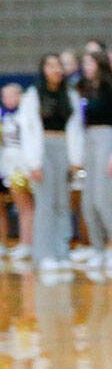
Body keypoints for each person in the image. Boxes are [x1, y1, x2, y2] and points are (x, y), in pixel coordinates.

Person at [18, 54, 84, 272]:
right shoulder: (33, 95)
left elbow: (75, 128)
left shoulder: (70, 95)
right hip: (42, 149)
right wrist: (33, 162)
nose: (56, 70)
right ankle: (44, 253)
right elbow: (27, 131)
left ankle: (61, 251)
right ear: (43, 69)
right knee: (45, 203)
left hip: (63, 148)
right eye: (51, 65)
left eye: (59, 66)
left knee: (62, 203)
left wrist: (76, 160)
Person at [76, 49, 112, 268]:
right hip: (89, 140)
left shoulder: (111, 88)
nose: (86, 67)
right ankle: (97, 248)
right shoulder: (86, 89)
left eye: (89, 63)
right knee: (88, 201)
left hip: (107, 141)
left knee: (104, 199)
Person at [0, 83, 35, 261]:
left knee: (29, 207)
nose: (7, 100)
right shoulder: (5, 117)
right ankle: (24, 243)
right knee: (22, 206)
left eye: (11, 95)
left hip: (27, 165)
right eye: (4, 96)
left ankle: (29, 243)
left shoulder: (26, 116)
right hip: (11, 167)